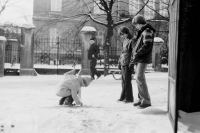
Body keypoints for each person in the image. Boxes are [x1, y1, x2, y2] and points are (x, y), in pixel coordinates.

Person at [129, 15, 156, 109]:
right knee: (138, 78)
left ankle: (146, 101)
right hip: (140, 58)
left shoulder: (147, 30)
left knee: (140, 77)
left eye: (136, 25)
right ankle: (141, 99)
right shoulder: (142, 32)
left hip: (143, 58)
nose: (136, 27)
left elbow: (147, 45)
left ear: (140, 23)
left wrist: (138, 54)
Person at [117, 26, 134, 103]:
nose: (122, 36)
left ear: (127, 32)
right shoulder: (125, 40)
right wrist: (119, 62)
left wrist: (131, 63)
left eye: (123, 34)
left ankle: (129, 98)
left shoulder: (131, 40)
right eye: (121, 35)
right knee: (123, 80)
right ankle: (123, 96)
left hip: (128, 62)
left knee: (127, 81)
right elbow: (122, 52)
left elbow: (133, 53)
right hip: (123, 62)